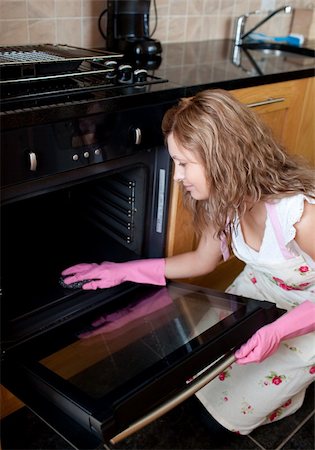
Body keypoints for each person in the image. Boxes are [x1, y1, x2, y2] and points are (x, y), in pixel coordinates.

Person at [61, 89, 315, 435]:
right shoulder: (223, 199)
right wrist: (119, 271)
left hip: (307, 311)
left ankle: (290, 393)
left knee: (219, 424)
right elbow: (201, 260)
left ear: (222, 157)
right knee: (199, 378)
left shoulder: (298, 216)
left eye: (183, 163)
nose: (178, 176)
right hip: (260, 292)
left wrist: (279, 330)